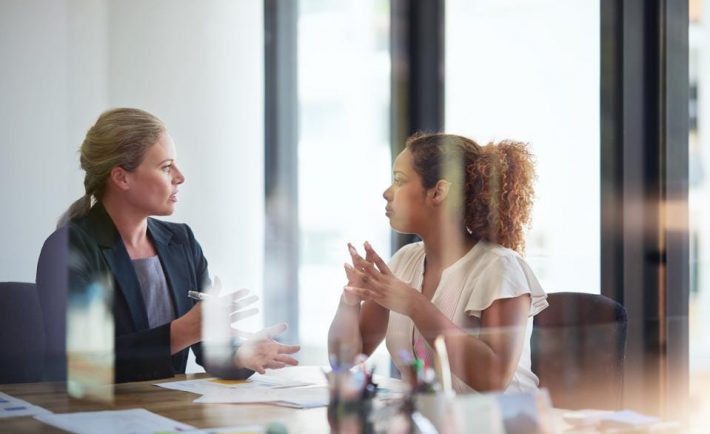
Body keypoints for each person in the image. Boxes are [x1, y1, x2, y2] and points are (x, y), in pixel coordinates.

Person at [45, 107, 299, 383]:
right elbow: (84, 365)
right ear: (122, 178)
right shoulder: (69, 249)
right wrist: (181, 332)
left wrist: (240, 355)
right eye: (166, 167)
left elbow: (207, 345)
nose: (180, 176)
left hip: (168, 412)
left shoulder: (182, 242)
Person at [328, 132, 548, 393]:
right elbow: (345, 361)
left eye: (399, 181)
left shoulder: (501, 268)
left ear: (438, 192)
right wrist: (350, 301)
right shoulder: (404, 261)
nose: (387, 193)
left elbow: (494, 379)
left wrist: (413, 304)